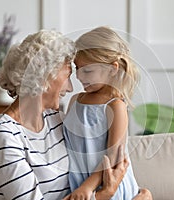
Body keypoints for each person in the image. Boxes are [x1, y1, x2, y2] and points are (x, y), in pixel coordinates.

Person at [0, 29, 152, 200]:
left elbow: (105, 154)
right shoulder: (4, 136)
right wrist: (104, 194)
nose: (71, 88)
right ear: (45, 77)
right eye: (68, 75)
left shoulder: (56, 121)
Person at [63, 26, 141, 199]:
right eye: (77, 69)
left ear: (112, 69)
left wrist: (87, 187)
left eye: (88, 70)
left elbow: (113, 156)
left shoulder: (115, 106)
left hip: (107, 186)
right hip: (78, 186)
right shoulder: (74, 101)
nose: (79, 77)